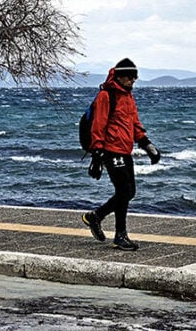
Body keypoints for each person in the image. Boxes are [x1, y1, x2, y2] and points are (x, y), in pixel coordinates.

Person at [81, 58, 161, 251]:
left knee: (129, 192)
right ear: (120, 77)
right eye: (130, 78)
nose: (133, 81)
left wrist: (146, 144)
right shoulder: (106, 95)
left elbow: (134, 124)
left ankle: (96, 216)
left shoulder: (128, 96)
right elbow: (98, 125)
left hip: (125, 150)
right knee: (124, 192)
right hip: (110, 150)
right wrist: (97, 155)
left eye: (135, 78)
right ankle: (120, 235)